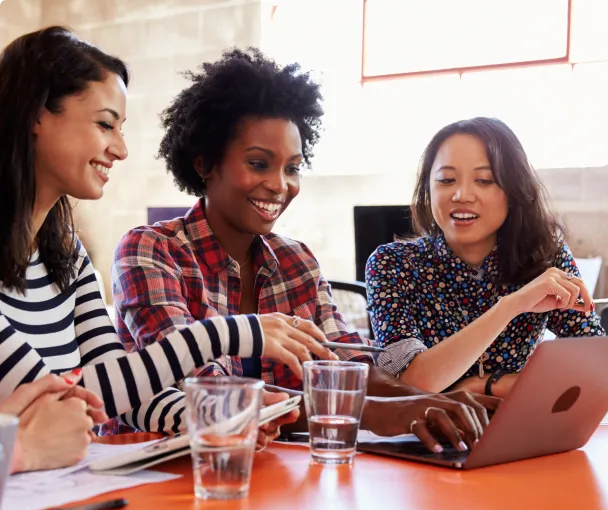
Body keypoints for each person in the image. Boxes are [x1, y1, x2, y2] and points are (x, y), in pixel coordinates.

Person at [112, 48, 498, 454]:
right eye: (259, 163)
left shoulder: (296, 262)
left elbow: (347, 365)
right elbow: (208, 393)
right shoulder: (150, 251)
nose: (280, 185)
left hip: (273, 478)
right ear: (205, 162)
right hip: (162, 477)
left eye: (292, 168)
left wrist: (426, 402)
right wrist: (376, 413)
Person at [0, 26, 337, 449]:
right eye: (106, 125)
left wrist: (222, 413)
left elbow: (120, 395)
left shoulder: (67, 254)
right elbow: (59, 401)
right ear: (36, 113)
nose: (121, 149)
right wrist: (232, 333)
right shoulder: (149, 249)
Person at [367, 117, 605, 399]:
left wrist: (487, 385)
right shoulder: (392, 264)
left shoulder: (545, 257)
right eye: (446, 180)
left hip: (523, 431)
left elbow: (596, 367)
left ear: (513, 190)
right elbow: (406, 385)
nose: (462, 194)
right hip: (428, 436)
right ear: (428, 189)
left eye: (484, 180)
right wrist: (509, 307)